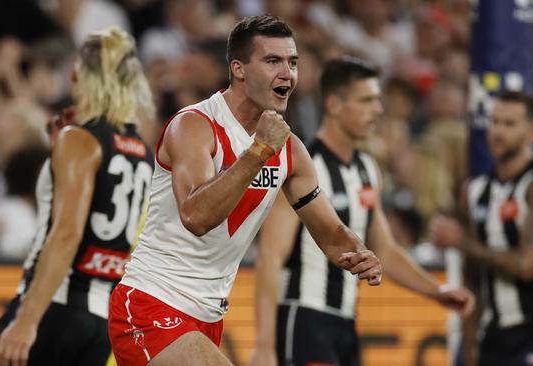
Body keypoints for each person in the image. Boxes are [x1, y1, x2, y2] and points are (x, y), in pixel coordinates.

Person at [108, 15, 383, 366]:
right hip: (152, 304)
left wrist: (358, 252)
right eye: (273, 61)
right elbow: (196, 216)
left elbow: (329, 231)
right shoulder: (194, 125)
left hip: (207, 317)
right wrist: (257, 152)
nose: (288, 73)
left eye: (293, 62)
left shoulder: (290, 149)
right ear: (238, 69)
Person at [248, 57, 475, 366]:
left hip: (346, 324)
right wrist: (264, 344)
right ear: (334, 105)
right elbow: (270, 258)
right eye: (367, 100)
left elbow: (384, 249)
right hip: (304, 319)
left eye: (378, 100)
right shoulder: (303, 168)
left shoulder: (368, 169)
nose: (378, 110)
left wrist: (435, 291)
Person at [0, 26, 155, 366]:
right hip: (102, 320)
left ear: (77, 73)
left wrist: (26, 321)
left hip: (54, 306)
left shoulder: (81, 140)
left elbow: (68, 233)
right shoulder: (142, 152)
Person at [432, 91, 533, 366]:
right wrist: (470, 344)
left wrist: (461, 241)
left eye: (510, 124)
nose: (498, 131)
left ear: (532, 132)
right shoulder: (475, 191)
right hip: (493, 334)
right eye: (495, 122)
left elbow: (526, 266)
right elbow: (473, 278)